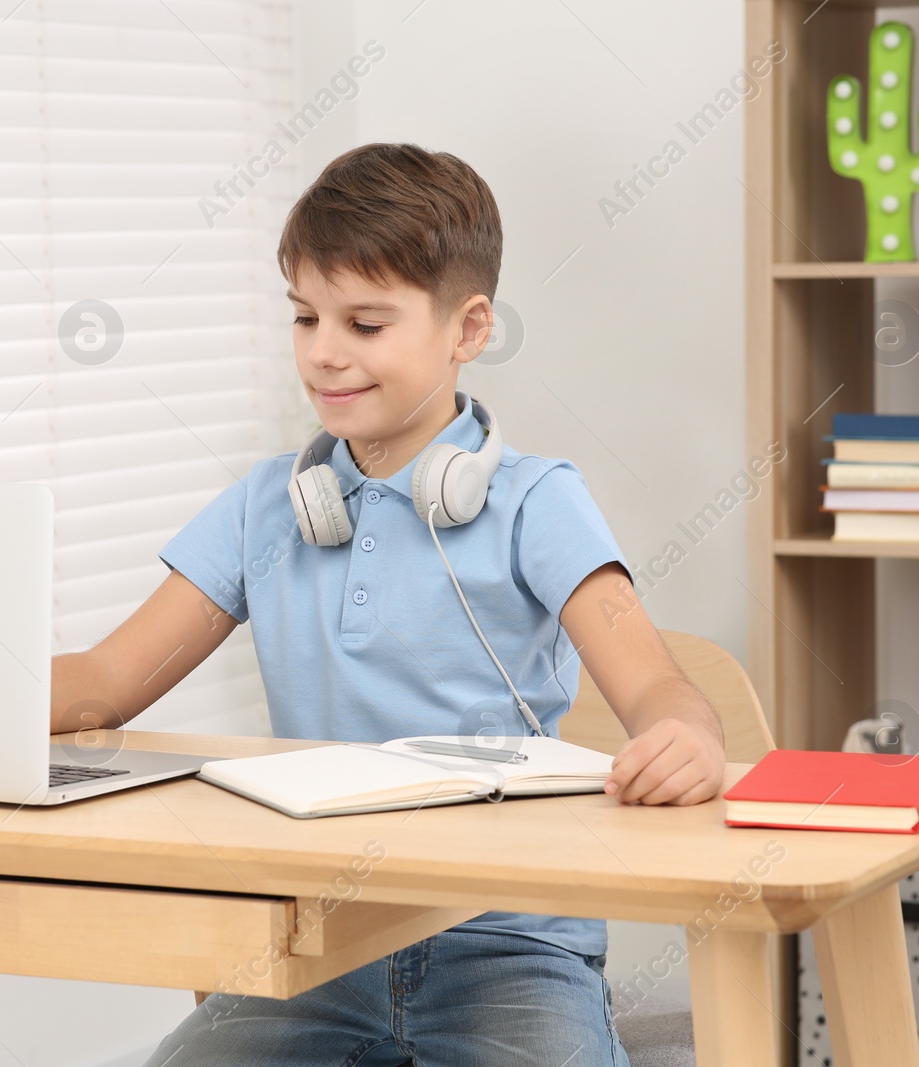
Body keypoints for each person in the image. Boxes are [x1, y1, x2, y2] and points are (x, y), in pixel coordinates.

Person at [50, 141, 726, 1067]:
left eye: (366, 325)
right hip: (319, 950)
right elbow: (102, 685)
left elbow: (655, 687)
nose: (325, 353)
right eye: (304, 317)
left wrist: (686, 735)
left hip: (510, 951)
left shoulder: (537, 502)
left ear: (469, 327)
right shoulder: (264, 508)